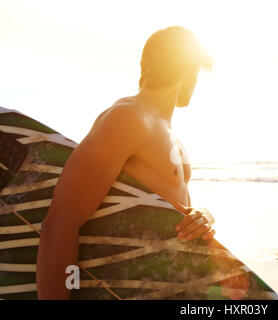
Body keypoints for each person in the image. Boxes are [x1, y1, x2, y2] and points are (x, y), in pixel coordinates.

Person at [36, 26, 216, 299]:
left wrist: (202, 217)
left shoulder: (174, 141)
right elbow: (60, 225)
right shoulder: (129, 119)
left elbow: (177, 217)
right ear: (185, 70)